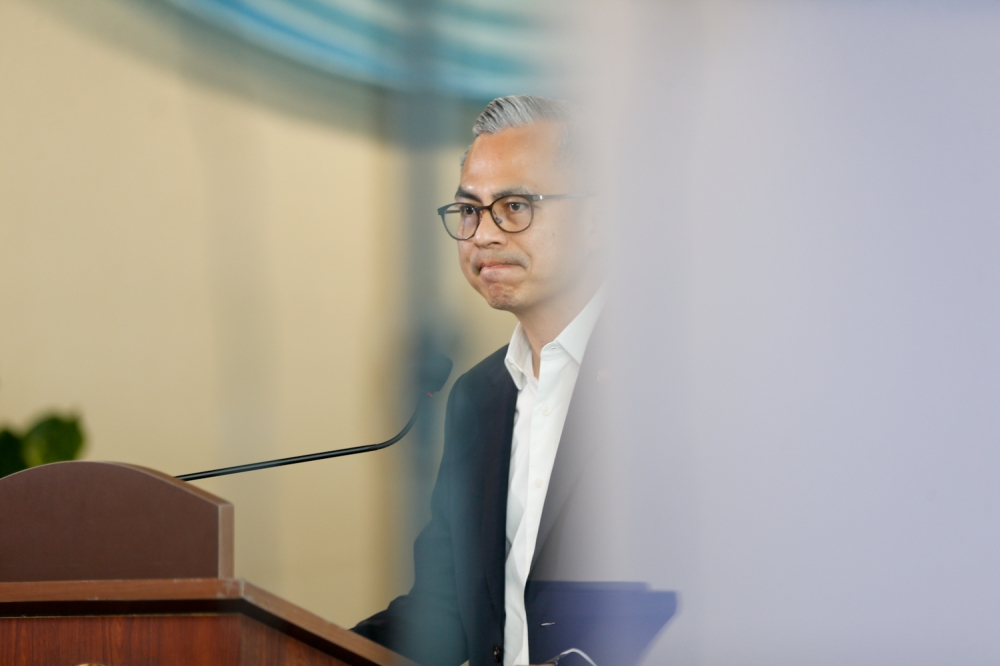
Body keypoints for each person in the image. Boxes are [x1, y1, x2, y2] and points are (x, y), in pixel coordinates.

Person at [353, 95, 609, 666]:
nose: (484, 235)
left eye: (516, 205)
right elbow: (441, 612)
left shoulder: (665, 379)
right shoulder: (477, 397)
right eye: (469, 210)